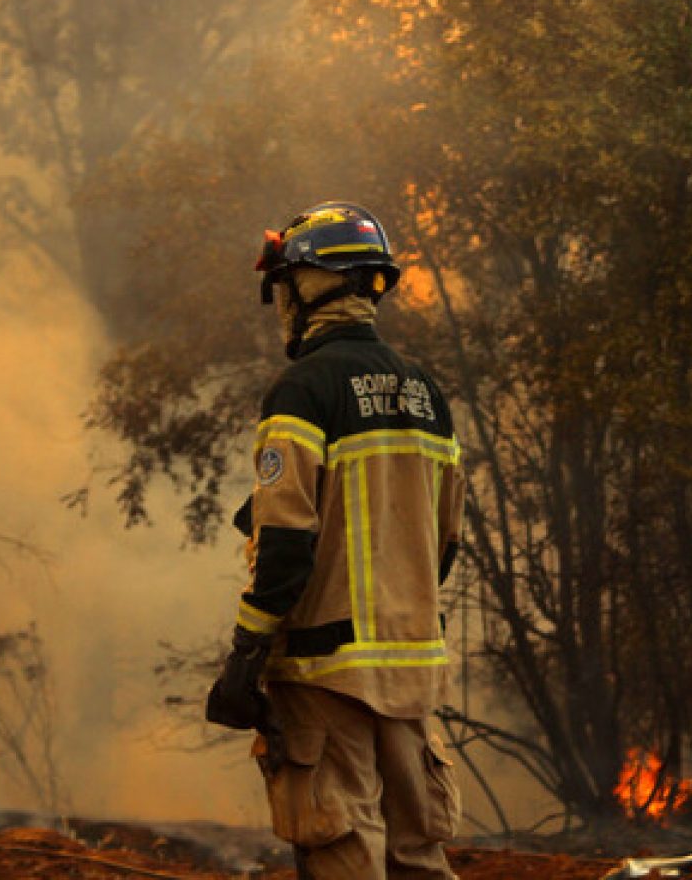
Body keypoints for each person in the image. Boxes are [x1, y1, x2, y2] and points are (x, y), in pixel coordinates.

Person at [206, 202, 465, 880]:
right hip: (410, 671)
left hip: (326, 672)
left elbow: (286, 545)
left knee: (342, 847)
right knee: (418, 853)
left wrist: (246, 650)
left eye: (286, 285)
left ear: (314, 284)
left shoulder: (303, 389)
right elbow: (443, 545)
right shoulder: (426, 392)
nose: (283, 304)